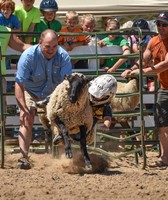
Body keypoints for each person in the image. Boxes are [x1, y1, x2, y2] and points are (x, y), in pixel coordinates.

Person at [15, 29, 72, 169]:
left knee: (62, 119)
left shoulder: (63, 56)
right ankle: (24, 156)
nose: (51, 50)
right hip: (31, 91)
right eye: (47, 46)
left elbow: (67, 84)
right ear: (40, 43)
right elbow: (19, 84)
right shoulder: (28, 56)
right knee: (26, 116)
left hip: (54, 93)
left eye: (54, 46)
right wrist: (23, 108)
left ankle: (66, 157)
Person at [121, 11, 168, 167]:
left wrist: (142, 71)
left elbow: (165, 64)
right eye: (159, 24)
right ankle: (165, 158)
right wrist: (133, 68)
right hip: (165, 87)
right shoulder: (154, 41)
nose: (161, 27)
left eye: (164, 25)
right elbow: (144, 60)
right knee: (162, 123)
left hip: (164, 86)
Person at [53, 74, 117, 145]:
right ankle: (61, 135)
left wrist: (106, 125)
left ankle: (72, 140)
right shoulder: (85, 92)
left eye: (98, 96)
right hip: (80, 113)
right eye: (93, 94)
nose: (94, 97)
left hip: (91, 119)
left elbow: (107, 117)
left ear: (107, 96)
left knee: (84, 134)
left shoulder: (105, 105)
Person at [0, 0, 21, 91]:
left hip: (11, 42)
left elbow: (19, 29)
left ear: (12, 10)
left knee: (10, 66)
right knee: (5, 64)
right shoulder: (0, 17)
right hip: (2, 45)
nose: (5, 11)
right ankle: (6, 88)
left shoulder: (14, 18)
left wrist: (8, 32)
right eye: (3, 9)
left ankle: (9, 87)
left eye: (8, 9)